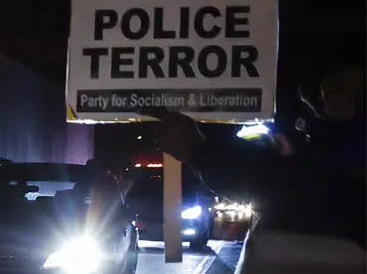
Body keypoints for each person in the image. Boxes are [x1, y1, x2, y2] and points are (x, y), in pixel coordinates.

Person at [151, 59, 365, 245]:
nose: (326, 102)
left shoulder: (350, 149)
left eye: (330, 94)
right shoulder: (337, 139)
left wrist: (199, 151)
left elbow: (297, 194)